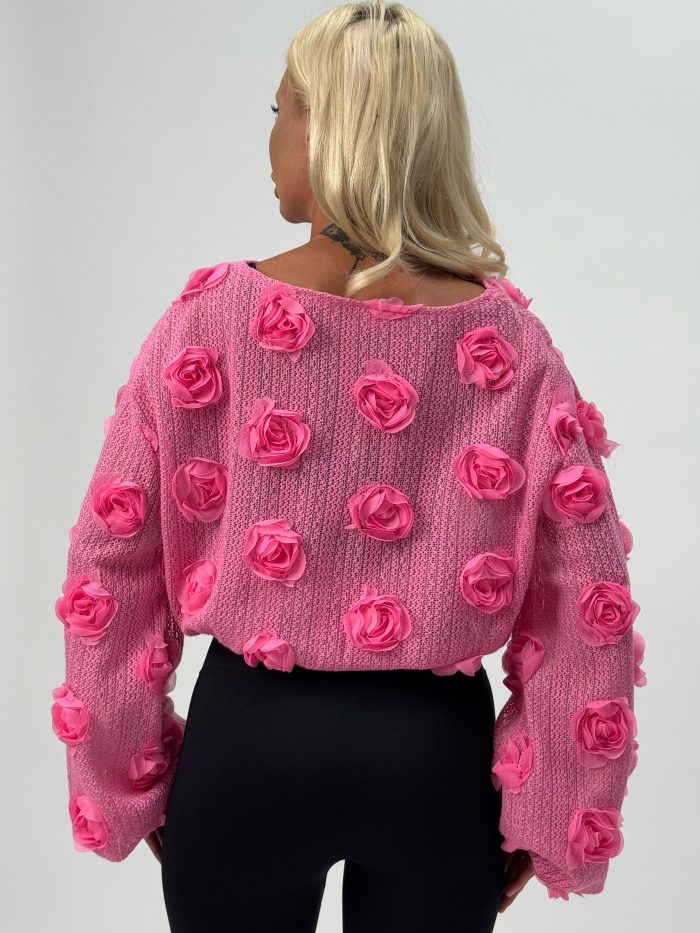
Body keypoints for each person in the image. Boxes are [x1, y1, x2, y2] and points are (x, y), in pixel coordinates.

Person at [52, 3, 643, 931]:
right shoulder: (512, 342)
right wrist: (557, 806)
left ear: (330, 129)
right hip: (434, 762)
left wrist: (125, 773)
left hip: (249, 748)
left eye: (282, 108)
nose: (271, 136)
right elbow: (585, 593)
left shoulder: (209, 321)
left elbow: (112, 563)